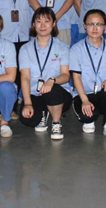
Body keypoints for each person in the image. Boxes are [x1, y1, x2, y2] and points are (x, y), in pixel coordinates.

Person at [69, 10, 106, 140]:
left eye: (99, 24)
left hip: (103, 93)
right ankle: (90, 117)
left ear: (104, 27)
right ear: (85, 26)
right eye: (91, 24)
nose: (95, 28)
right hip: (84, 94)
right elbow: (76, 77)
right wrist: (85, 100)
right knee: (88, 117)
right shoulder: (76, 49)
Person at [19, 8, 72, 140]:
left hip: (58, 94)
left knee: (52, 90)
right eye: (38, 21)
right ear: (33, 24)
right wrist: (27, 103)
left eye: (47, 21)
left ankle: (56, 122)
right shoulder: (25, 49)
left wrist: (52, 80)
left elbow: (66, 75)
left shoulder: (62, 47)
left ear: (53, 24)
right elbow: (25, 77)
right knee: (28, 119)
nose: (42, 25)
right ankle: (43, 113)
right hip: (35, 93)